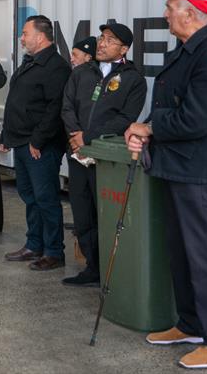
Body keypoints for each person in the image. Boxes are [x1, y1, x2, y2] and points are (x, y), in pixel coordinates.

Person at [125, 0, 207, 370]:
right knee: (180, 250)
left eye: (170, 7)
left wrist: (150, 129)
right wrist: (142, 126)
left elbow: (197, 119)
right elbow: (166, 103)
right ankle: (191, 323)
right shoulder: (189, 49)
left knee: (204, 255)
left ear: (190, 12)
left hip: (198, 169)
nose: (165, 14)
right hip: (175, 165)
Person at [60, 23, 146, 287]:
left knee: (105, 214)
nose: (102, 43)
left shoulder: (133, 80)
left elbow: (125, 119)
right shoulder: (82, 73)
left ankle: (112, 270)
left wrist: (89, 136)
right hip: (77, 154)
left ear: (124, 48)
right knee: (83, 214)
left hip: (106, 159)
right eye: (101, 38)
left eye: (110, 40)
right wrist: (76, 136)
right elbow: (67, 106)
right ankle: (92, 267)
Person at [0, 15, 71, 271]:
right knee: (29, 197)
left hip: (40, 145)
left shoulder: (56, 67)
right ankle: (34, 244)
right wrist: (6, 136)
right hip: (21, 141)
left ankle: (54, 251)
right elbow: (16, 102)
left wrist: (38, 141)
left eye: (25, 33)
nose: (22, 38)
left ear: (40, 37)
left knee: (46, 198)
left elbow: (55, 109)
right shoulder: (30, 63)